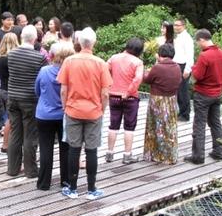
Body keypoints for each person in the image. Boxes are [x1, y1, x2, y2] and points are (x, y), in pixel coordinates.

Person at [57, 27, 112, 200]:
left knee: (74, 149)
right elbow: (105, 93)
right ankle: (91, 189)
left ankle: (72, 188)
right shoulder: (101, 63)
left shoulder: (69, 62)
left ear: (79, 43)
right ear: (94, 43)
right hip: (94, 112)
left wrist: (65, 107)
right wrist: (102, 110)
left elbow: (63, 90)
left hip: (73, 110)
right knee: (91, 150)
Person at [184, 29, 222, 164]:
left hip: (203, 95)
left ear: (202, 40)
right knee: (216, 123)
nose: (198, 45)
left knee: (199, 125)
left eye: (198, 42)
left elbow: (197, 76)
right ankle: (219, 152)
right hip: (217, 94)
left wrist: (193, 68)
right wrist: (220, 88)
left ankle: (198, 157)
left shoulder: (204, 56)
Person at [6, 25, 47, 178]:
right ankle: (30, 171)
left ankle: (12, 169)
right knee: (30, 135)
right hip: (30, 99)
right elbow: (43, 79)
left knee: (15, 133)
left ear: (21, 37)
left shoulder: (11, 54)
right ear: (35, 38)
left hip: (13, 97)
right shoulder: (39, 57)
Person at [35, 43, 73, 191]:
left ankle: (44, 183)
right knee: (65, 148)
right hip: (64, 114)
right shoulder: (70, 74)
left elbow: (36, 90)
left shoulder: (44, 71)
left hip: (44, 114)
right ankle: (66, 181)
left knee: (45, 148)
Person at [142, 44, 182, 164]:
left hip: (158, 101)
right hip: (171, 100)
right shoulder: (177, 67)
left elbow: (147, 80)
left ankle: (155, 154)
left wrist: (146, 71)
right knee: (169, 128)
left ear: (160, 54)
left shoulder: (158, 67)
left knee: (155, 127)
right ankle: (170, 155)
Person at [106, 38, 144, 164]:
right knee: (129, 127)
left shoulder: (114, 58)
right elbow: (138, 78)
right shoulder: (137, 62)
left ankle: (109, 153)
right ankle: (127, 155)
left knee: (113, 125)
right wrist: (128, 92)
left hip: (114, 95)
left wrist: (109, 85)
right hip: (130, 98)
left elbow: (104, 71)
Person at [0, 32, 19, 153]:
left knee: (8, 118)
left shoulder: (0, 57)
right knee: (11, 119)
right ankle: (5, 145)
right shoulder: (11, 58)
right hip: (11, 90)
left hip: (2, 89)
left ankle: (6, 143)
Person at [173, 18, 194, 121]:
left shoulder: (187, 38)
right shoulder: (178, 37)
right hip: (177, 64)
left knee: (183, 91)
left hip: (183, 66)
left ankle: (185, 114)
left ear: (184, 26)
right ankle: (180, 112)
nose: (176, 27)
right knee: (178, 90)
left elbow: (190, 55)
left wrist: (187, 69)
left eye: (178, 25)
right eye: (175, 25)